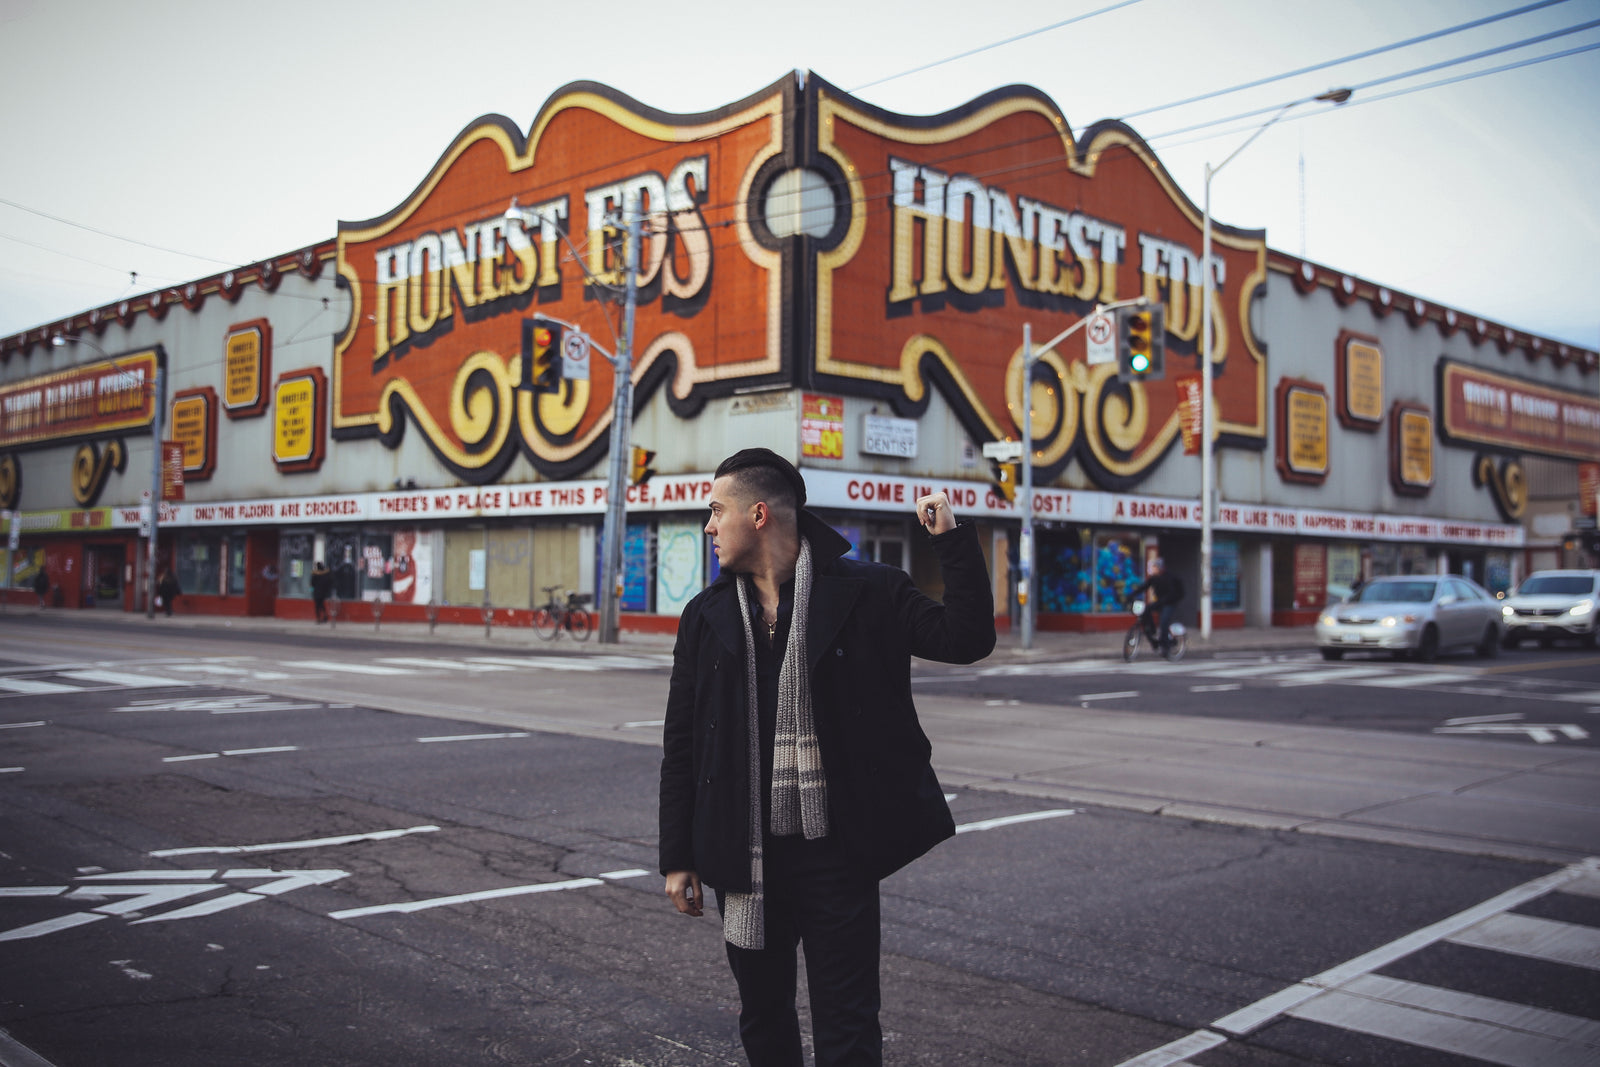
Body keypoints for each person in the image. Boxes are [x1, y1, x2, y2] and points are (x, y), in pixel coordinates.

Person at [659, 448, 995, 1066]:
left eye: (715, 511)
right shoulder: (704, 617)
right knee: (763, 1018)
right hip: (744, 855)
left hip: (839, 853)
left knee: (848, 1023)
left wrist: (950, 538)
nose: (708, 526)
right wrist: (677, 856)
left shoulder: (869, 593)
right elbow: (683, 743)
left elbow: (967, 639)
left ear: (758, 515)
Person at [1130, 556, 1184, 651]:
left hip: (1170, 603)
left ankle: (1165, 646)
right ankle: (1152, 632)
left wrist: (1166, 600)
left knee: (1164, 622)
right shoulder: (1153, 578)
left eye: (1154, 567)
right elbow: (1144, 587)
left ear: (1159, 568)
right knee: (1145, 610)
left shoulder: (1169, 577)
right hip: (1160, 602)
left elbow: (1173, 592)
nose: (1152, 569)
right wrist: (1131, 595)